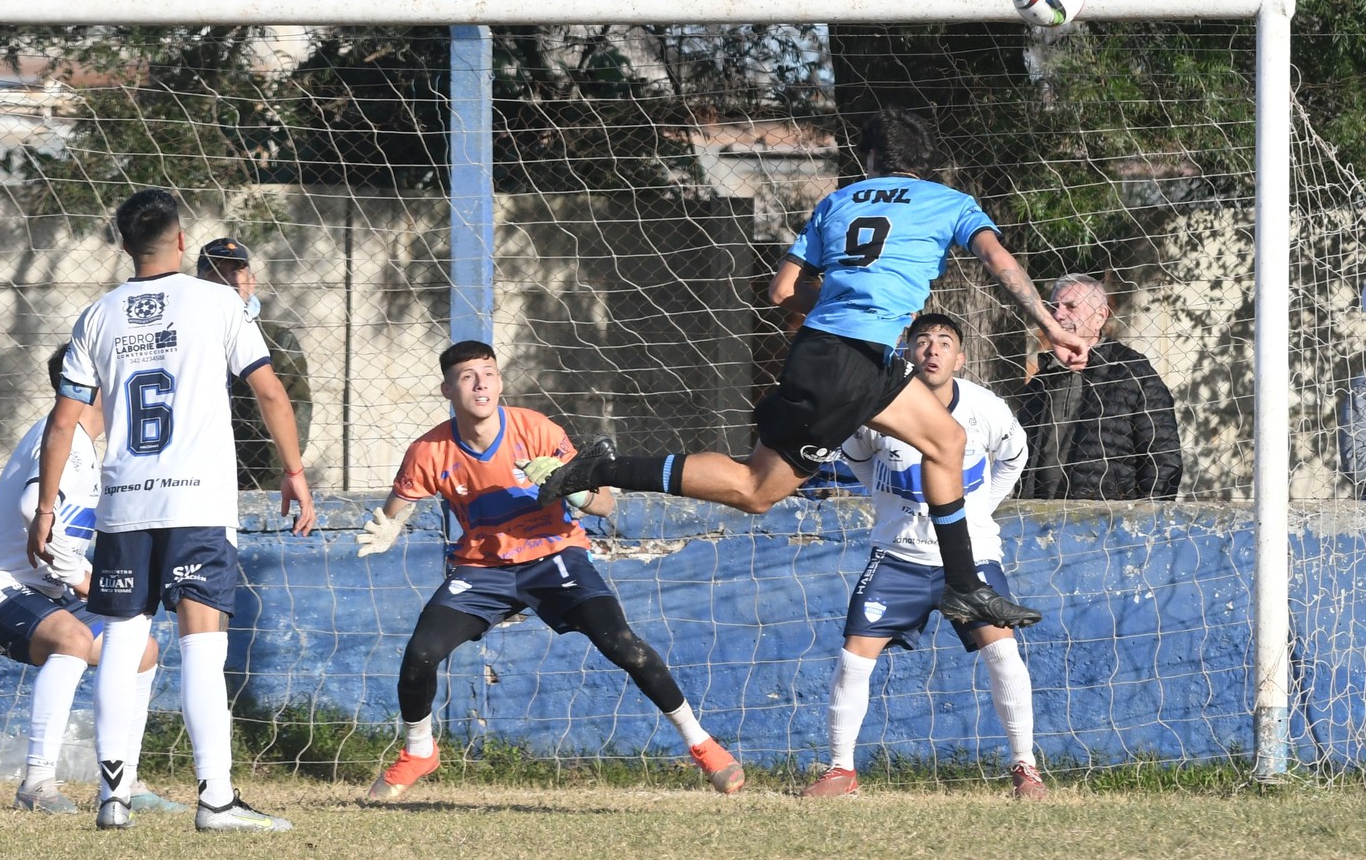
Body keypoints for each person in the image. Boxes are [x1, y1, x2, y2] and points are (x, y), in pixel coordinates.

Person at [536, 106, 1088, 630]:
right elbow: (1000, 262)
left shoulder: (838, 201)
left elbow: (781, 291)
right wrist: (1052, 326)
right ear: (928, 160)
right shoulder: (950, 202)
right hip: (849, 363)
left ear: (868, 157)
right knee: (756, 490)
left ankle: (963, 586)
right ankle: (600, 470)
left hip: (846, 356)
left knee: (945, 439)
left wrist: (840, 298)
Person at [28, 188, 317, 833]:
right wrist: (293, 473)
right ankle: (215, 799)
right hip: (196, 501)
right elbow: (269, 391)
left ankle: (113, 797)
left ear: (125, 247)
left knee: (123, 642)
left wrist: (46, 511)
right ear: (182, 240)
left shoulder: (97, 315)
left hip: (124, 503)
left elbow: (62, 423)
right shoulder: (218, 302)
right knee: (202, 648)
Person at [354, 340, 745, 800]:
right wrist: (388, 529)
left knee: (623, 646)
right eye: (467, 376)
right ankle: (419, 750)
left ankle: (702, 745)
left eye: (489, 373)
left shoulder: (536, 430)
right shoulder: (428, 451)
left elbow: (605, 502)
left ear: (499, 381)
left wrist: (571, 489)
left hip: (556, 555)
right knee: (420, 654)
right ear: (447, 389)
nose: (481, 383)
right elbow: (394, 510)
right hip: (483, 570)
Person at [799, 313, 1047, 801]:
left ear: (961, 356)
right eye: (922, 341)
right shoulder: (881, 405)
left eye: (945, 342)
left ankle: (1026, 768)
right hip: (896, 557)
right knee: (853, 659)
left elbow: (1014, 456)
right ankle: (840, 770)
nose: (933, 350)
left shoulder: (985, 407)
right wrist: (890, 509)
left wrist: (976, 508)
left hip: (970, 557)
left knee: (1004, 654)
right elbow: (860, 460)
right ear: (907, 351)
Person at [0, 345, 181, 815]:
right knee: (73, 638)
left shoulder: (81, 446)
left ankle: (127, 782)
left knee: (142, 651)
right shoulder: (62, 440)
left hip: (41, 591)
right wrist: (84, 579)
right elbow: (32, 511)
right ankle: (36, 785)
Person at [1017, 274, 1182, 500]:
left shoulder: (1131, 371)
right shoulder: (1041, 380)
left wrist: (1147, 521)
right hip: (1038, 518)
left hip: (1107, 521)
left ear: (1100, 317)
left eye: (1070, 306)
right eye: (1053, 307)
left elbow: (1162, 455)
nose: (1058, 314)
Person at [196, 237, 313, 491]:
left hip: (262, 475)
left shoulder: (276, 339)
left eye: (237, 270)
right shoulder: (188, 337)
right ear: (200, 283)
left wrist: (279, 469)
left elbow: (297, 408)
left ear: (251, 280)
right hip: (199, 473)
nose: (230, 280)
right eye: (217, 271)